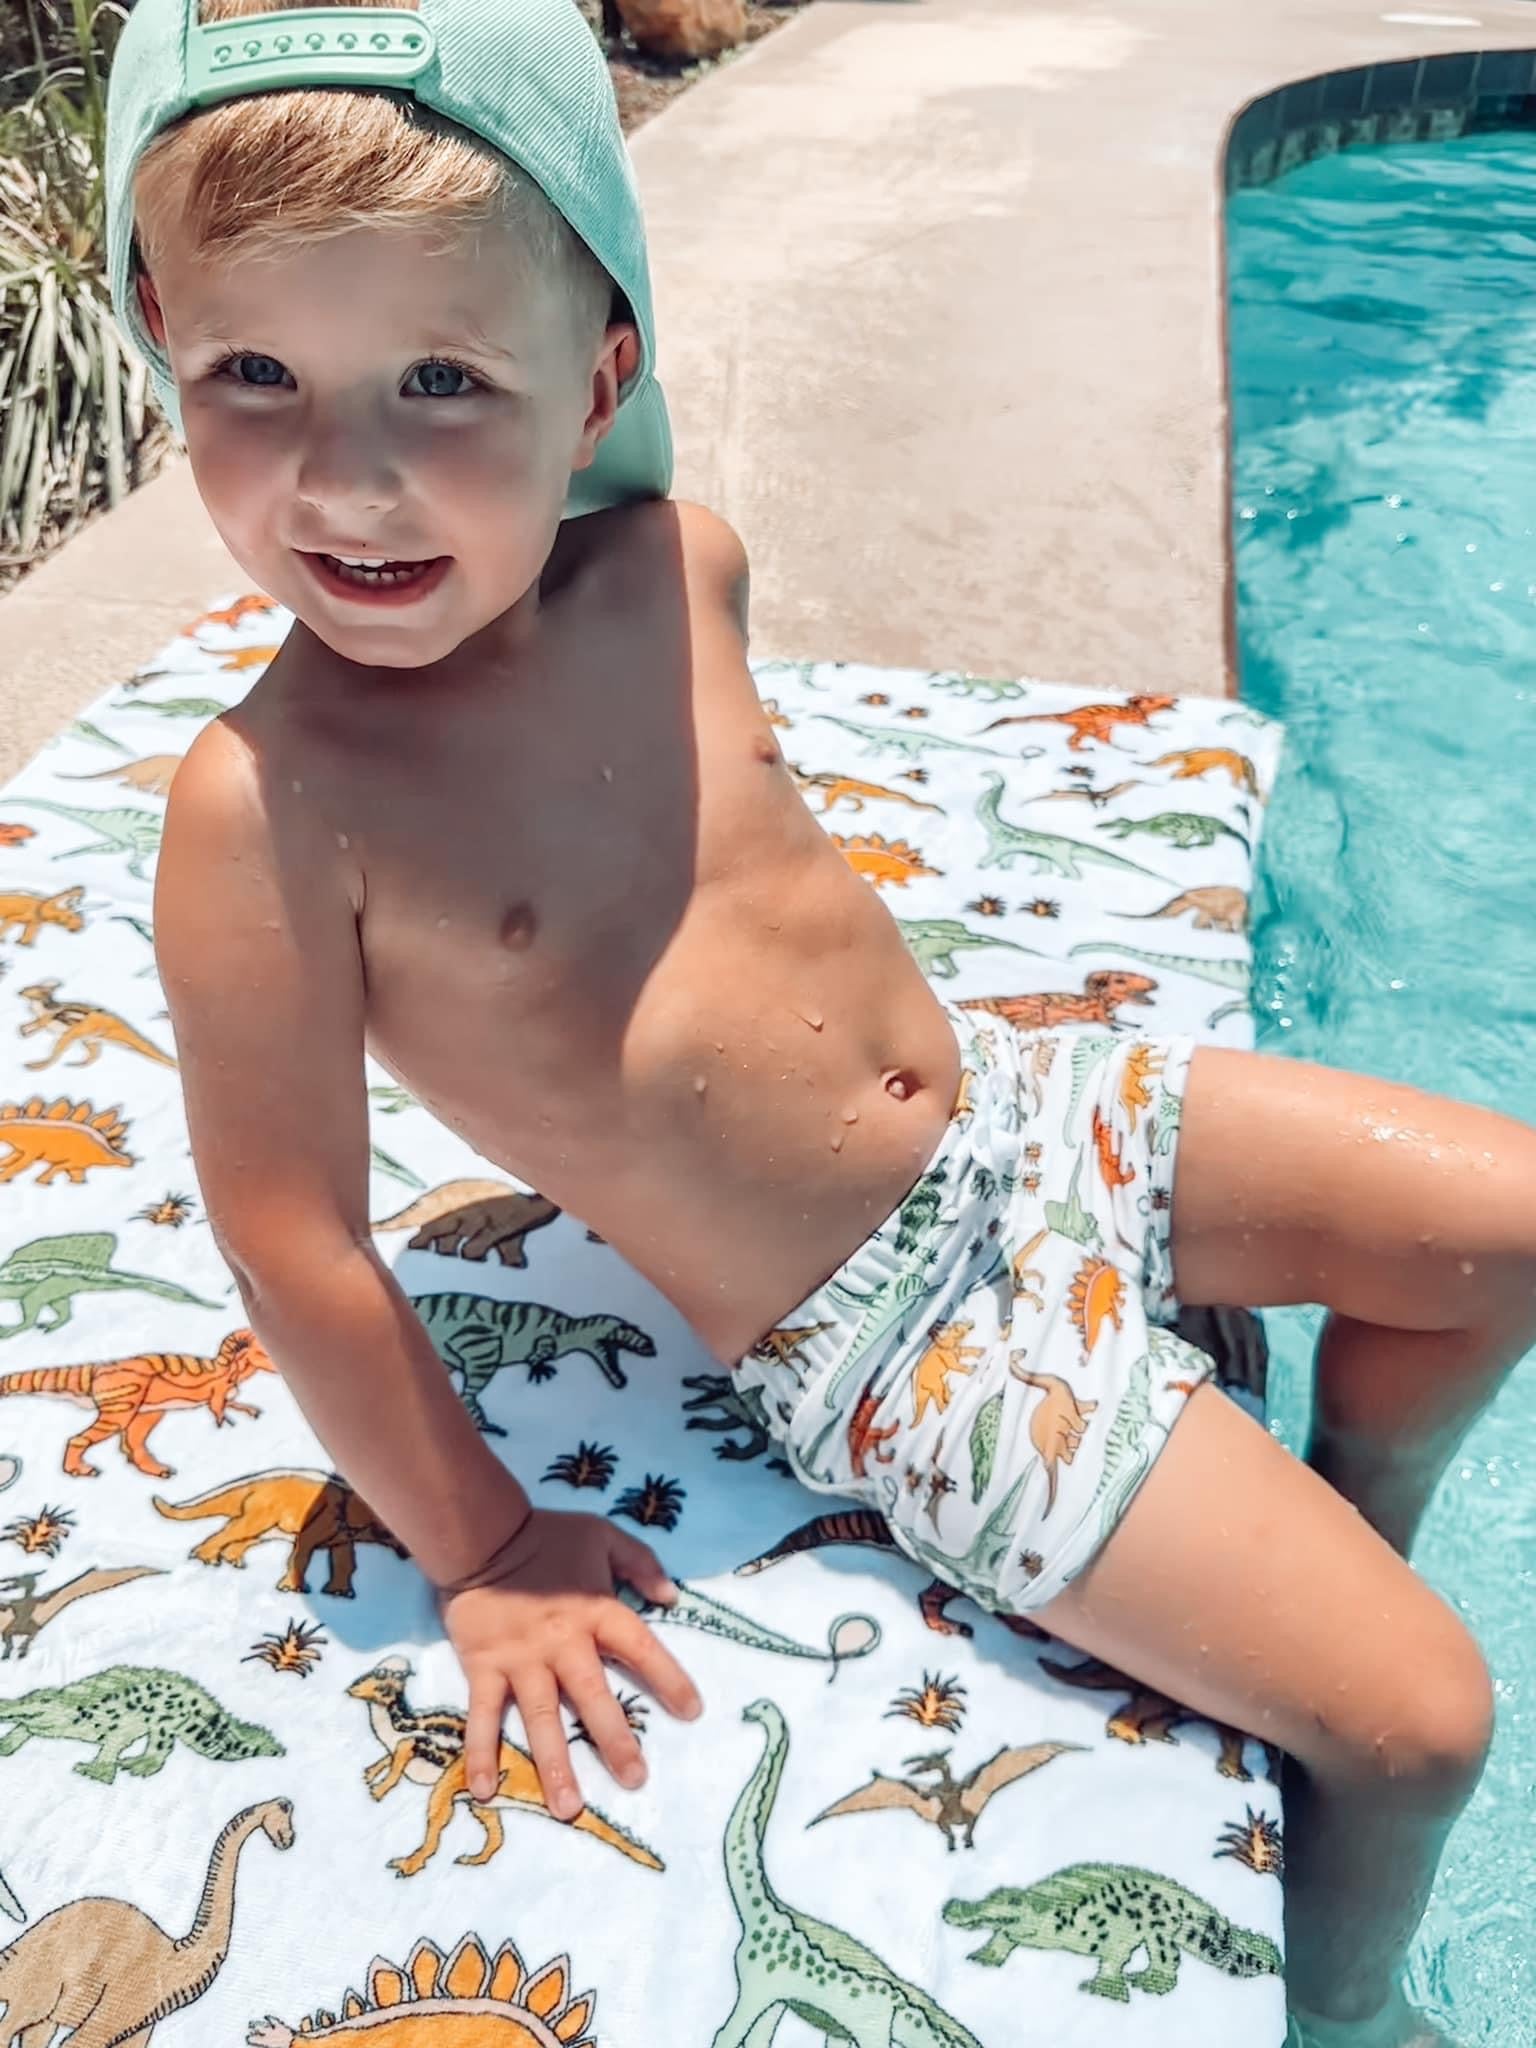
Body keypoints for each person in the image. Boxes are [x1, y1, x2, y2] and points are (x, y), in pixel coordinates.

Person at [105, 2, 1532, 2041]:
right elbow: (289, 1233)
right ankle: (1350, 2005)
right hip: (889, 1332)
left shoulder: (676, 567)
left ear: (601, 375)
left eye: (443, 378)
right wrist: (485, 1551)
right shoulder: (273, 809)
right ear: (162, 336)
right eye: (255, 375)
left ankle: (1338, 1518)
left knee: (1511, 1225)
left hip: (1029, 1115)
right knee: (1422, 1721)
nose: (351, 478)